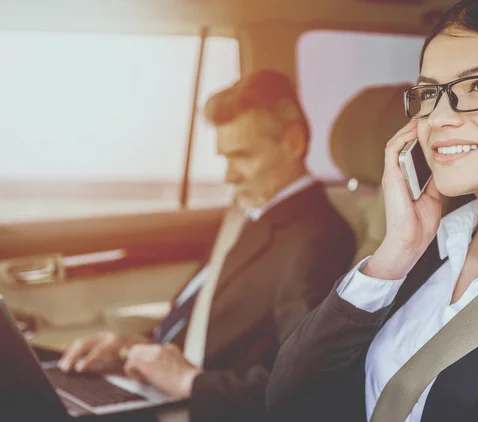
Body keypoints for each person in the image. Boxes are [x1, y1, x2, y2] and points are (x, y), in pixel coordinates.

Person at [265, 1, 478, 421]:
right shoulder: (423, 254)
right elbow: (289, 396)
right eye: (429, 93)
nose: (438, 117)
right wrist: (395, 253)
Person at [58, 69, 356, 421]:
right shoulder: (248, 215)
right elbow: (201, 318)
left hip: (207, 406)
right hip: (163, 389)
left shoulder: (315, 237)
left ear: (293, 143)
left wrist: (190, 382)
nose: (228, 176)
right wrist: (128, 351)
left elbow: (303, 381)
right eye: (225, 158)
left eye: (242, 156)